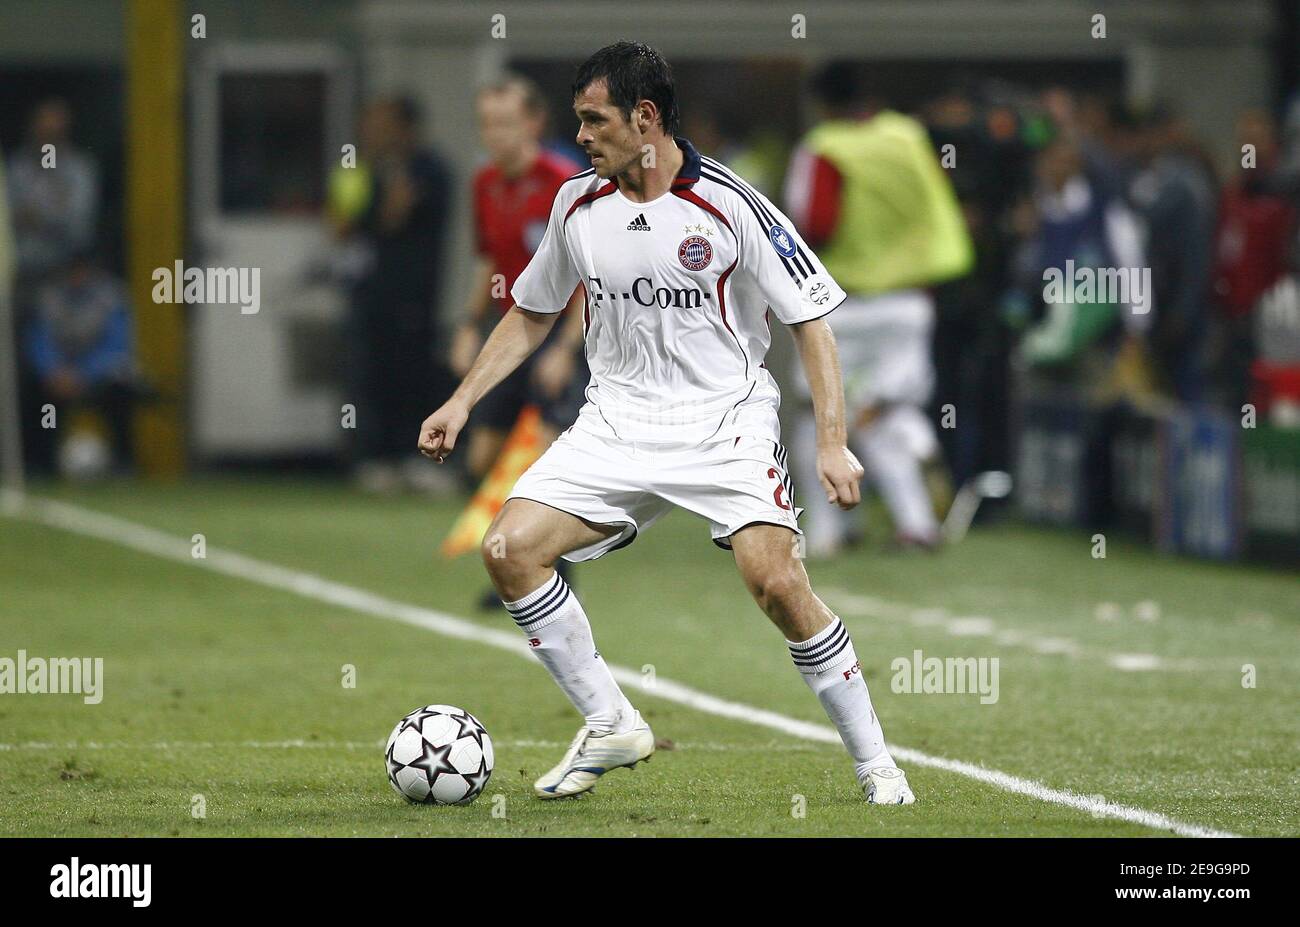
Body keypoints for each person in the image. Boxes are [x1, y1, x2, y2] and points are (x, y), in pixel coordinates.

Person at [417, 42, 914, 805]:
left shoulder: (731, 204)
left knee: (776, 583)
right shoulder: (577, 204)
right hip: (615, 422)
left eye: (594, 120)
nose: (580, 137)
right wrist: (463, 399)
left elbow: (811, 320)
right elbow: (533, 309)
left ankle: (877, 762)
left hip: (725, 425)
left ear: (644, 118)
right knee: (508, 548)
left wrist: (835, 444)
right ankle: (610, 720)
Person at [784, 63, 974, 554]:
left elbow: (815, 222)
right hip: (909, 301)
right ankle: (918, 524)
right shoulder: (907, 135)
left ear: (822, 104)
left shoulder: (825, 147)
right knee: (889, 410)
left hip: (843, 303)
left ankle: (828, 532)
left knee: (817, 413)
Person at [453, 75, 588, 608]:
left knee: (542, 464)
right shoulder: (484, 183)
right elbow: (487, 258)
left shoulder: (563, 181)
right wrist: (468, 325)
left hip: (560, 333)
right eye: (487, 124)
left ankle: (549, 582)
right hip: (510, 330)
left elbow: (586, 274)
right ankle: (518, 563)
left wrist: (565, 349)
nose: (495, 135)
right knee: (482, 459)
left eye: (506, 123)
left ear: (533, 123)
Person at [343, 97, 453, 493]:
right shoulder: (363, 170)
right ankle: (376, 459)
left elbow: (394, 215)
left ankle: (418, 458)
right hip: (371, 294)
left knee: (414, 374)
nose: (371, 131)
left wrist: (388, 204)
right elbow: (343, 225)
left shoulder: (430, 169)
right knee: (372, 375)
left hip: (414, 294)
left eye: (381, 122)